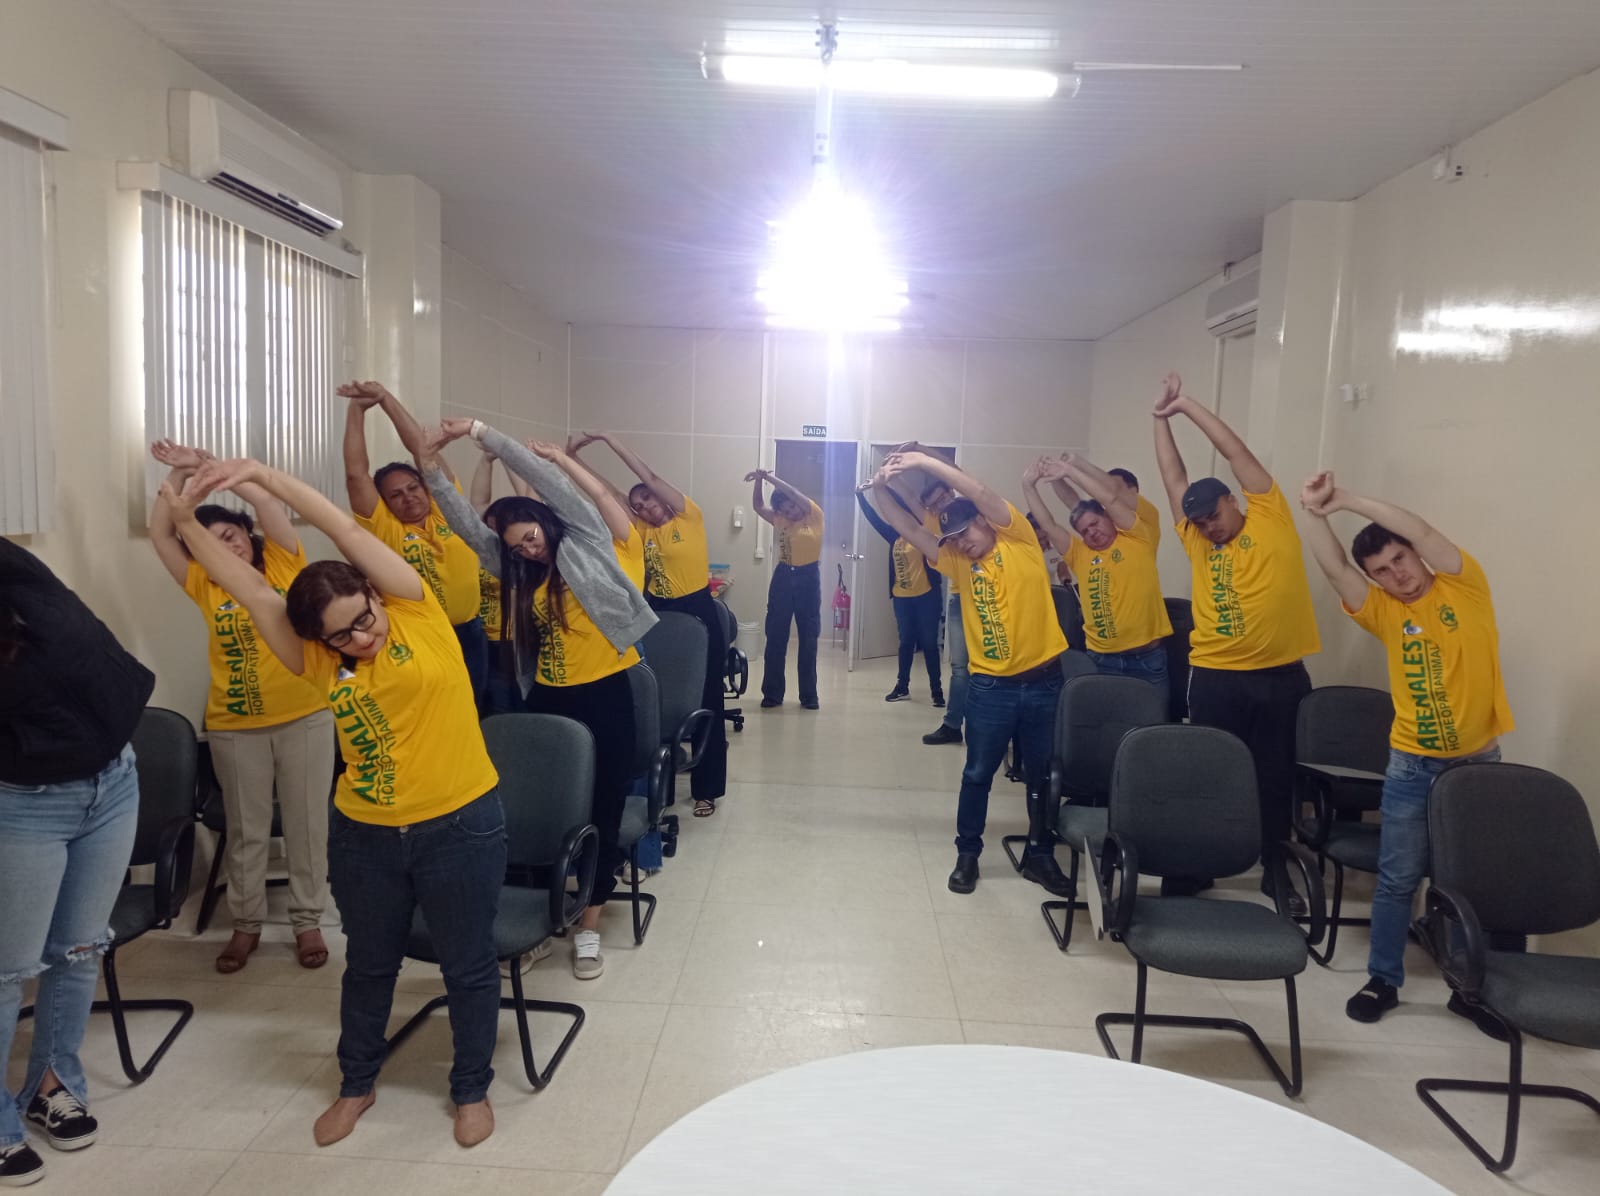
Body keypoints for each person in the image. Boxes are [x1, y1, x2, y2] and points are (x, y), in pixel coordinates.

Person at [164, 456, 503, 1150]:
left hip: (459, 823)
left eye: (363, 619)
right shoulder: (317, 659)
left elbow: (341, 527)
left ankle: (471, 1087)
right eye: (342, 635)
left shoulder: (414, 610)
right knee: (370, 965)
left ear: (373, 594)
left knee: (467, 965)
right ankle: (356, 1083)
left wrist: (262, 477)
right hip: (366, 835)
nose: (362, 638)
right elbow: (245, 585)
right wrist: (181, 517)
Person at [424, 419, 657, 981]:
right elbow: (464, 524)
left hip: (605, 694)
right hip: (548, 699)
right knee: (549, 811)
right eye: (516, 546)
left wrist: (482, 433)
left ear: (542, 521)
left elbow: (551, 481)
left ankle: (590, 922)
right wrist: (429, 467)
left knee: (601, 808)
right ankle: (541, 921)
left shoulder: (585, 541)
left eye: (529, 536)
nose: (528, 549)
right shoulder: (517, 570)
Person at [1299, 471, 1514, 1026]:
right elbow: (1335, 569)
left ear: (1416, 555)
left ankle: (1468, 990)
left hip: (1476, 766)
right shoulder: (1386, 610)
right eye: (1382, 572)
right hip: (1412, 765)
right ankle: (1383, 979)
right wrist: (1315, 513)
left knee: (1468, 881)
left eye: (1401, 560)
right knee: (1398, 877)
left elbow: (1420, 529)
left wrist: (1347, 499)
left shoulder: (1465, 587)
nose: (1398, 576)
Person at [148, 440, 336, 975]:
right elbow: (162, 533)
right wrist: (179, 476)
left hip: (305, 716)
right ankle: (245, 924)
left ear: (245, 534)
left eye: (230, 536)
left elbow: (269, 504)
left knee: (305, 826)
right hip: (234, 726)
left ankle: (307, 921)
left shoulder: (284, 562)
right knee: (246, 830)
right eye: (211, 544)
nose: (226, 549)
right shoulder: (203, 582)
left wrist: (219, 471)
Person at [1, 541, 153, 1186]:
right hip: (24, 802)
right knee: (7, 969)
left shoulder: (15, 570)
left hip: (113, 781)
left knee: (80, 949)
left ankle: (52, 1082)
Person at [865, 452, 1073, 898]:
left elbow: (978, 490)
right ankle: (968, 854)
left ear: (984, 521)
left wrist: (923, 460)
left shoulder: (1018, 540)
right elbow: (908, 528)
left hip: (1044, 683)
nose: (962, 544)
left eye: (965, 533)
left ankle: (1040, 855)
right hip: (990, 688)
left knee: (1041, 775)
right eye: (953, 539)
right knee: (977, 774)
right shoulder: (957, 561)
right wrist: (880, 488)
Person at [1152, 372, 1320, 906]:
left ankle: (1275, 868)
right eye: (1199, 522)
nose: (1209, 528)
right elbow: (1172, 475)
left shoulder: (1270, 516)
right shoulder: (1197, 539)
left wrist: (1186, 405)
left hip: (1279, 677)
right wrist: (1159, 419)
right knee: (1209, 771)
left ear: (1233, 500)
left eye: (1215, 516)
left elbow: (1236, 450)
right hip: (1215, 677)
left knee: (1275, 777)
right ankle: (1198, 864)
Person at [574, 432, 727, 818]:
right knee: (657, 698)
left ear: (662, 498)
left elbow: (650, 476)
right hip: (657, 612)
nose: (645, 507)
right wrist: (573, 460)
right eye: (638, 505)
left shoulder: (688, 517)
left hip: (697, 610)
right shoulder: (640, 530)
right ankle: (661, 787)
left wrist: (610, 441)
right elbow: (607, 494)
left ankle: (707, 788)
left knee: (706, 700)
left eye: (649, 499)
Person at [340, 381, 488, 707]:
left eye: (413, 488)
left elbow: (424, 451)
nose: (408, 497)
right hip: (419, 635)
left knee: (471, 711)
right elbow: (355, 475)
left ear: (425, 487)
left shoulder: (447, 509)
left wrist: (386, 399)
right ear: (384, 503)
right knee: (432, 711)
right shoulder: (384, 529)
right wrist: (356, 410)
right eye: (396, 495)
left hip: (470, 633)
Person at [1022, 453, 1172, 706]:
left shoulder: (1139, 537)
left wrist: (1071, 470)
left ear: (1108, 517)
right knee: (1104, 725)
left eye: (1095, 523)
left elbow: (1109, 498)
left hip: (1146, 660)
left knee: (1152, 724)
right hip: (1102, 660)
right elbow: (1048, 524)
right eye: (1085, 531)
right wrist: (1030, 484)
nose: (1092, 532)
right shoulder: (1080, 553)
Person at [885, 452, 966, 746]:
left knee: (983, 667)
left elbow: (957, 473)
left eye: (943, 498)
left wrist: (922, 452)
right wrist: (888, 477)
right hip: (959, 596)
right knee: (960, 667)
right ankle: (953, 724)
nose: (940, 505)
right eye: (934, 504)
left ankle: (978, 721)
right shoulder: (932, 522)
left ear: (951, 492)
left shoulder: (971, 508)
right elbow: (909, 500)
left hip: (987, 594)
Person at [855, 483, 943, 705]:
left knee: (929, 643)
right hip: (902, 597)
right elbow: (873, 519)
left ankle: (937, 691)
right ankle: (902, 687)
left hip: (927, 596)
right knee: (905, 642)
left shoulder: (926, 532)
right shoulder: (893, 534)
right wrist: (860, 496)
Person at [747, 469, 824, 710]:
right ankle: (772, 694)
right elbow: (758, 506)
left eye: (792, 506)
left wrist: (769, 477)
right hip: (783, 578)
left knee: (808, 638)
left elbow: (792, 491)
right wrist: (758, 482)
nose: (792, 512)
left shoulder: (813, 514)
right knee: (775, 637)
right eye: (786, 510)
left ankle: (809, 696)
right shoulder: (780, 520)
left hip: (808, 579)